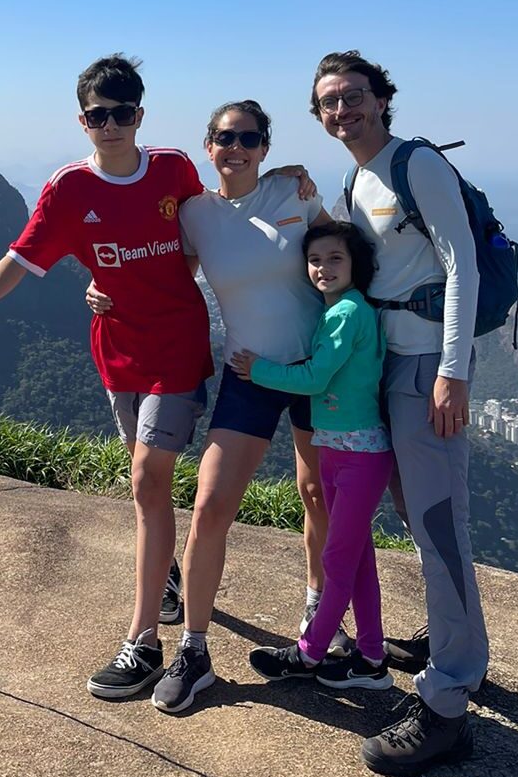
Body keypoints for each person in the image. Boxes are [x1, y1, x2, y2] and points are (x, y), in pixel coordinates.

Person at [0, 54, 213, 700]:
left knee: (148, 477)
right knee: (145, 485)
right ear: (82, 120)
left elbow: (213, 230)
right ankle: (168, 576)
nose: (111, 125)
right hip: (116, 351)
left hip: (177, 346)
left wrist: (286, 191)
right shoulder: (70, 189)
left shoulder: (175, 169)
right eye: (99, 115)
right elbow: (24, 253)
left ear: (140, 116)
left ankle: (144, 642)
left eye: (123, 113)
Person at [87, 100, 351, 714]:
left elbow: (341, 254)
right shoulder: (195, 213)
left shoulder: (295, 191)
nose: (237, 147)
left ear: (264, 146)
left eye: (250, 138)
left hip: (318, 369)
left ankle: (320, 614)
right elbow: (156, 268)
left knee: (317, 495)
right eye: (225, 138)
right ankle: (195, 648)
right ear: (208, 146)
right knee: (209, 504)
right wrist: (102, 286)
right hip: (248, 372)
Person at [310, 50, 488, 777]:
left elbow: (463, 264)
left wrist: (451, 371)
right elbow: (349, 259)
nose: (344, 109)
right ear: (319, 115)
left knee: (439, 525)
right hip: (386, 369)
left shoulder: (417, 165)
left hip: (424, 372)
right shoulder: (356, 178)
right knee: (422, 521)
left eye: (354, 95)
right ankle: (461, 654)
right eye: (329, 101)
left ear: (382, 99)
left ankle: (447, 705)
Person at [233, 221, 393, 692]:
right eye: (316, 259)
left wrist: (256, 371)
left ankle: (308, 654)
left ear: (355, 264)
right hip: (340, 450)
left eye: (335, 258)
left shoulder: (346, 313)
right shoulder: (343, 310)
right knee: (358, 561)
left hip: (358, 456)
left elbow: (317, 379)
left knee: (338, 562)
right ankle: (371, 658)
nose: (323, 267)